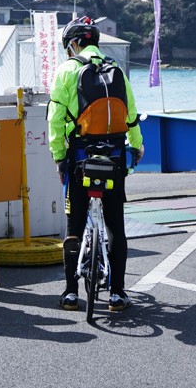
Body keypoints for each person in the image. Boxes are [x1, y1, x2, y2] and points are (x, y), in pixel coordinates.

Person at [48, 16, 144, 312]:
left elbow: (55, 118)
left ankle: (69, 292)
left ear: (74, 44)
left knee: (74, 225)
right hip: (114, 158)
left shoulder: (67, 70)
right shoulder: (116, 70)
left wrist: (59, 156)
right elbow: (131, 116)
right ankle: (117, 294)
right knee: (115, 226)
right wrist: (136, 147)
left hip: (80, 159)